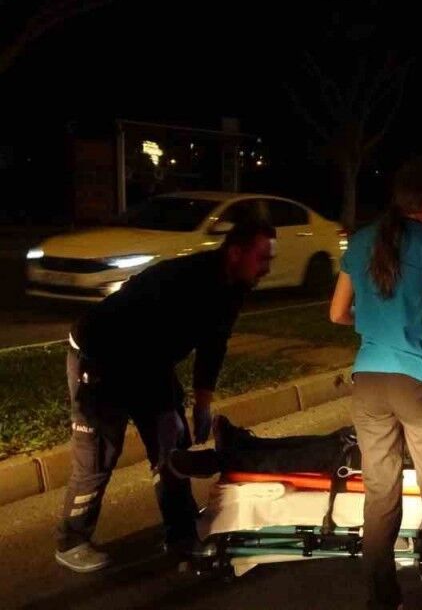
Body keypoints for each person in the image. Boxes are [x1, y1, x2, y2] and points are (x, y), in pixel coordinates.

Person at [54, 218, 276, 573]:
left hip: (149, 361)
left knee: (171, 447)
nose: (267, 268)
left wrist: (202, 404)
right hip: (101, 355)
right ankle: (72, 540)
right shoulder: (183, 280)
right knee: (98, 453)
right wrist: (164, 407)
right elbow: (143, 338)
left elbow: (213, 345)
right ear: (235, 253)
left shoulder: (234, 287)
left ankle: (181, 534)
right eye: (262, 258)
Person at [328, 155, 422, 610]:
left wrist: (375, 319)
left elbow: (337, 313)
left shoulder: (362, 240)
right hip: (420, 383)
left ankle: (382, 599)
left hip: (370, 380)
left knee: (380, 494)